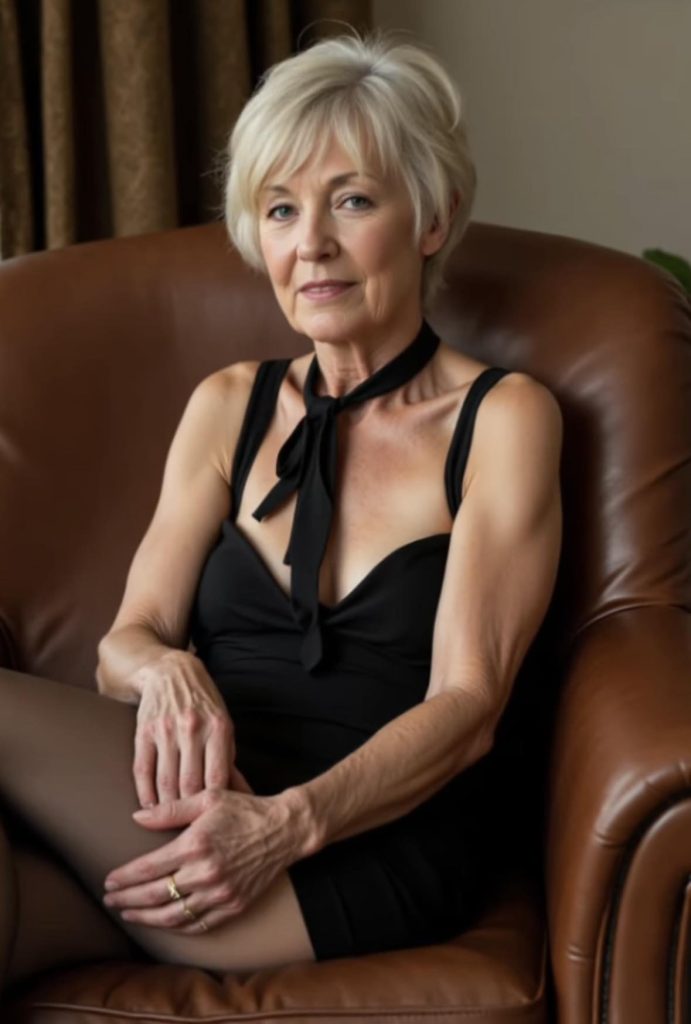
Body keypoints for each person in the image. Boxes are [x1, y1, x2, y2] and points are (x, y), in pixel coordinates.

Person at [0, 27, 563, 987]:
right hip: (194, 804)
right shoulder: (227, 403)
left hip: (363, 836)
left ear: (432, 217)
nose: (311, 245)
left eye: (353, 200)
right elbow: (125, 640)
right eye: (280, 209)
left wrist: (282, 826)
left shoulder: (503, 418)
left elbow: (468, 705)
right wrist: (167, 668)